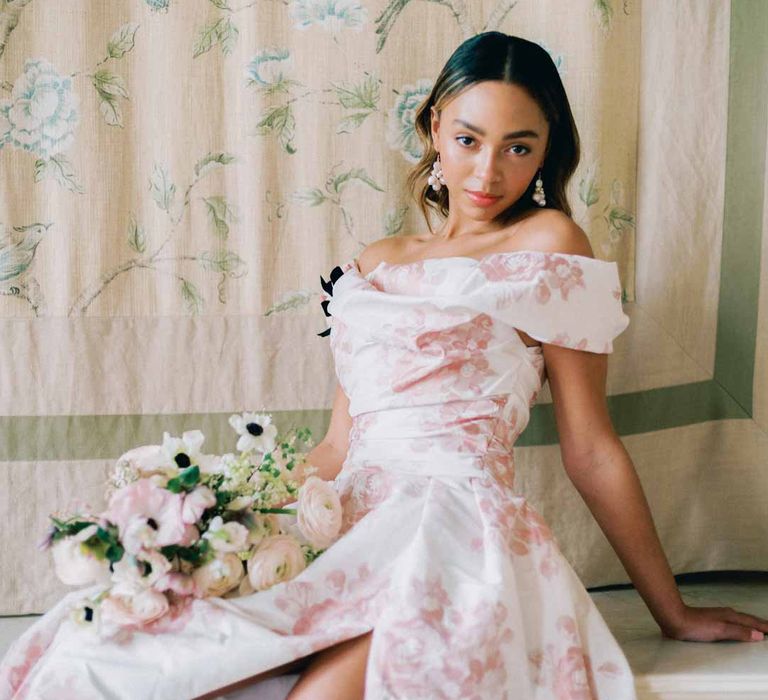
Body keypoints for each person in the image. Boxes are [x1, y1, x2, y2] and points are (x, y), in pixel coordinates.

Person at [2, 30, 767, 700]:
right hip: (346, 518)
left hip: (453, 525)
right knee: (161, 657)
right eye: (468, 139)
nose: (488, 171)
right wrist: (216, 520)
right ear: (434, 126)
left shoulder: (551, 245)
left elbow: (590, 446)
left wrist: (673, 611)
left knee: (342, 686)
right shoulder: (376, 262)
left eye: (518, 147)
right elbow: (339, 444)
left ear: (548, 148)